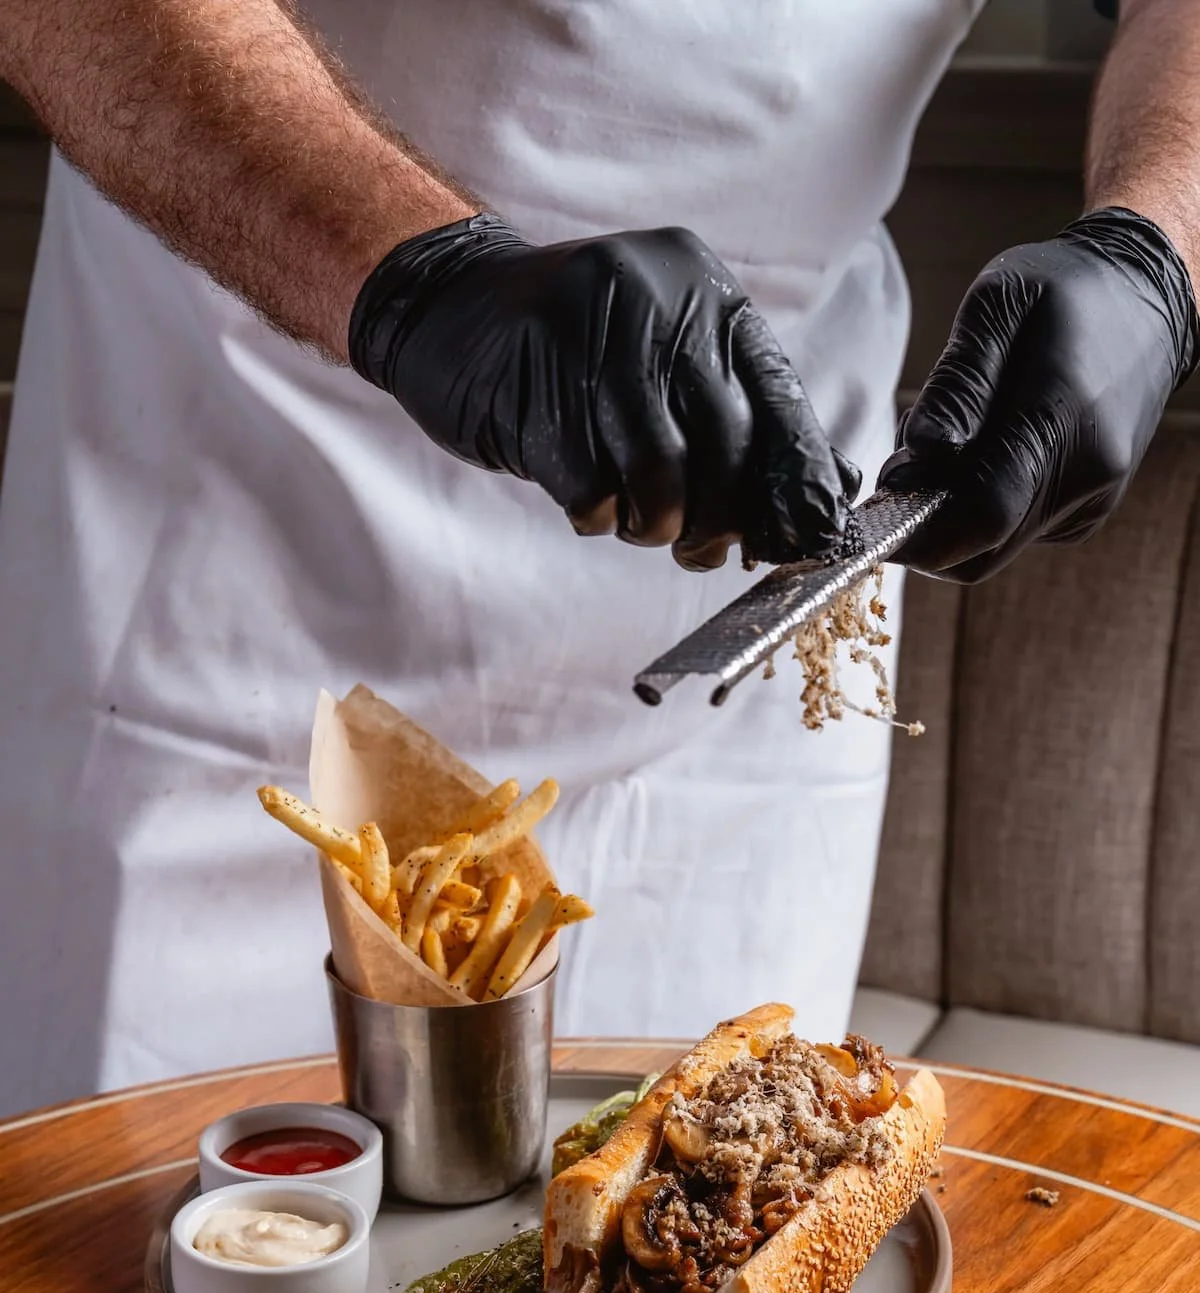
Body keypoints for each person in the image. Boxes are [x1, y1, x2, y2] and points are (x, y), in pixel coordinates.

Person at [0, 0, 1195, 1113]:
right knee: (153, 1273)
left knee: (695, 1243)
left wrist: (1160, 251)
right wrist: (418, 283)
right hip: (241, 516)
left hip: (761, 615)